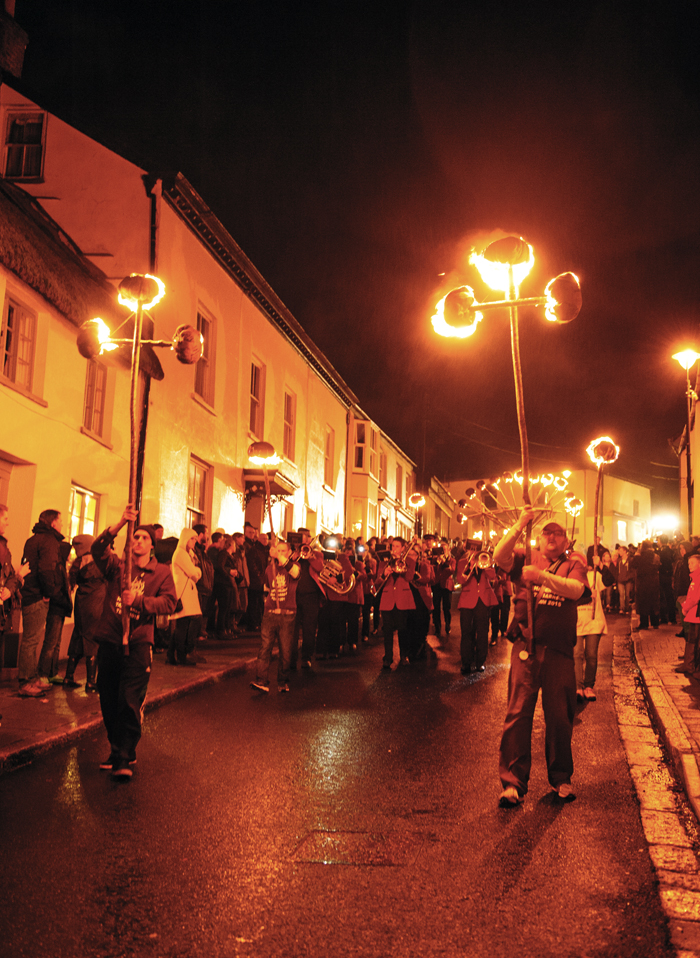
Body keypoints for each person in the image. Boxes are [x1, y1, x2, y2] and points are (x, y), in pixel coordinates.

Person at [494, 512, 589, 807]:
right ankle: (513, 783)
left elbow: (575, 590)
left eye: (557, 533)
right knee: (518, 714)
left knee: (560, 716)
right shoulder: (526, 555)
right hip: (527, 647)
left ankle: (561, 777)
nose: (551, 538)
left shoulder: (575, 563)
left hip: (559, 651)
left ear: (566, 540)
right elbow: (499, 556)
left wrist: (543, 577)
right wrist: (521, 523)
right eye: (546, 533)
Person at [91, 506, 177, 779]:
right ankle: (117, 749)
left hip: (139, 643)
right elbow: (97, 549)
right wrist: (119, 524)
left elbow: (170, 602)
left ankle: (124, 757)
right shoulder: (117, 567)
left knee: (129, 700)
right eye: (135, 537)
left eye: (143, 538)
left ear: (151, 545)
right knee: (108, 699)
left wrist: (139, 601)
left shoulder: (161, 572)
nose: (137, 541)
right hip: (110, 640)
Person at [18, 509, 66, 697]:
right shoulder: (49, 541)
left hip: (30, 594)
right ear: (53, 523)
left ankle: (31, 677)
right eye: (60, 521)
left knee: (32, 639)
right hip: (37, 596)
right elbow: (47, 570)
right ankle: (26, 681)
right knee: (31, 640)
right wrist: (48, 593)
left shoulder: (33, 540)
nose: (62, 524)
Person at [250, 537, 300, 693]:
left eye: (283, 551)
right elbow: (266, 587)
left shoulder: (295, 566)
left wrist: (279, 557)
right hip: (270, 614)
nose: (280, 554)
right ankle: (261, 680)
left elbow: (295, 574)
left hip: (287, 615)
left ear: (290, 553)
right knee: (265, 648)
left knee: (285, 650)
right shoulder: (269, 568)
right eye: (278, 551)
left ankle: (283, 681)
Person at [63, 534, 106, 691]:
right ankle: (91, 681)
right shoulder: (98, 564)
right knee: (92, 640)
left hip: (81, 604)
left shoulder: (77, 563)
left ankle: (68, 676)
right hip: (96, 604)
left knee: (78, 636)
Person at [574, 554, 614, 701]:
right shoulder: (569, 579)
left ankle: (588, 686)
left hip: (593, 621)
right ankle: (578, 687)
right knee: (576, 654)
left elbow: (610, 580)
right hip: (576, 622)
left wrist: (601, 566)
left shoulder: (594, 575)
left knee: (591, 655)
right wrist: (588, 596)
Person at [456, 546, 499, 674]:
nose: (474, 552)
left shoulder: (486, 561)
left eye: (477, 550)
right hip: (467, 600)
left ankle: (480, 661)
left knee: (482, 632)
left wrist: (486, 565)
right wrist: (470, 567)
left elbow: (492, 576)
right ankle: (466, 662)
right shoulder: (463, 563)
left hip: (483, 600)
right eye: (472, 550)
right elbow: (460, 580)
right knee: (466, 632)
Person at [376, 537, 416, 669]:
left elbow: (410, 577)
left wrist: (402, 567)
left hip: (402, 599)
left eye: (397, 546)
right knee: (387, 630)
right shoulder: (384, 561)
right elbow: (377, 582)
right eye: (393, 546)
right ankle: (388, 658)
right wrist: (384, 574)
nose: (394, 549)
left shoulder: (409, 560)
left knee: (402, 629)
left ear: (403, 548)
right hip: (388, 599)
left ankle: (404, 656)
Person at [37, 540, 73, 683]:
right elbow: (57, 590)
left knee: (56, 642)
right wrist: (64, 601)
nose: (71, 555)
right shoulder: (58, 568)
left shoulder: (62, 567)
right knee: (51, 642)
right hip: (56, 608)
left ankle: (52, 672)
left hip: (60, 608)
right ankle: (43, 673)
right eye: (69, 552)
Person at [168, 528, 203, 666]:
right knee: (183, 626)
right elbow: (193, 573)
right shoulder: (181, 554)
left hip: (187, 592)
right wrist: (198, 571)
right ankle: (180, 656)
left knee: (183, 625)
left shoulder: (187, 553)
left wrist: (195, 571)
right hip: (183, 594)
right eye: (192, 539)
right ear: (186, 539)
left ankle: (172, 655)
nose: (195, 541)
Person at [0, 505, 25, 683]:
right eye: (5, 519)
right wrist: (17, 578)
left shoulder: (3, 547)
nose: (7, 523)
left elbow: (7, 576)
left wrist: (13, 582)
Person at [677, 554, 700, 676]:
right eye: (688, 563)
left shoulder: (698, 578)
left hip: (696, 614)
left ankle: (691, 666)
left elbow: (694, 598)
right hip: (694, 614)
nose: (689, 565)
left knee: (694, 640)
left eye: (692, 563)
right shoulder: (694, 577)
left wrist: (685, 607)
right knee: (692, 640)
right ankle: (689, 665)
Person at [631, 541, 661, 630]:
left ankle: (644, 624)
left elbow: (633, 565)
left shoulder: (639, 556)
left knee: (643, 603)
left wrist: (636, 555)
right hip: (653, 582)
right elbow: (658, 567)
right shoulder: (655, 556)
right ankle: (655, 623)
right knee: (653, 602)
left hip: (642, 583)